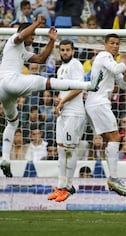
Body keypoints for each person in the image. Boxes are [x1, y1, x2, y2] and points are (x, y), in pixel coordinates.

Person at [0, 16, 97, 177]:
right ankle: (88, 85)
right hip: (10, 81)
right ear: (24, 32)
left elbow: (41, 59)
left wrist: (51, 41)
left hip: (1, 89)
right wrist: (36, 23)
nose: (33, 38)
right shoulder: (13, 40)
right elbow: (21, 35)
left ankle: (5, 158)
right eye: (32, 35)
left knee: (13, 122)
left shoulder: (21, 51)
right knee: (47, 82)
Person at [85, 33, 126, 197]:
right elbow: (118, 69)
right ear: (105, 45)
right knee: (116, 138)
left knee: (109, 140)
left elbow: (124, 85)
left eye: (117, 43)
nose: (115, 46)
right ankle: (113, 177)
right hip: (98, 102)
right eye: (112, 43)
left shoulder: (111, 63)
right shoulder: (104, 56)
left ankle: (112, 177)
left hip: (96, 103)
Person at [47, 39, 86, 202]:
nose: (64, 53)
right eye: (62, 50)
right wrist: (59, 100)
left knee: (69, 150)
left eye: (67, 50)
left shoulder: (76, 64)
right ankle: (60, 186)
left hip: (74, 114)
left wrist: (63, 102)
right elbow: (64, 90)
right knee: (61, 151)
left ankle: (69, 186)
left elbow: (78, 87)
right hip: (64, 113)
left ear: (73, 51)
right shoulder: (61, 68)